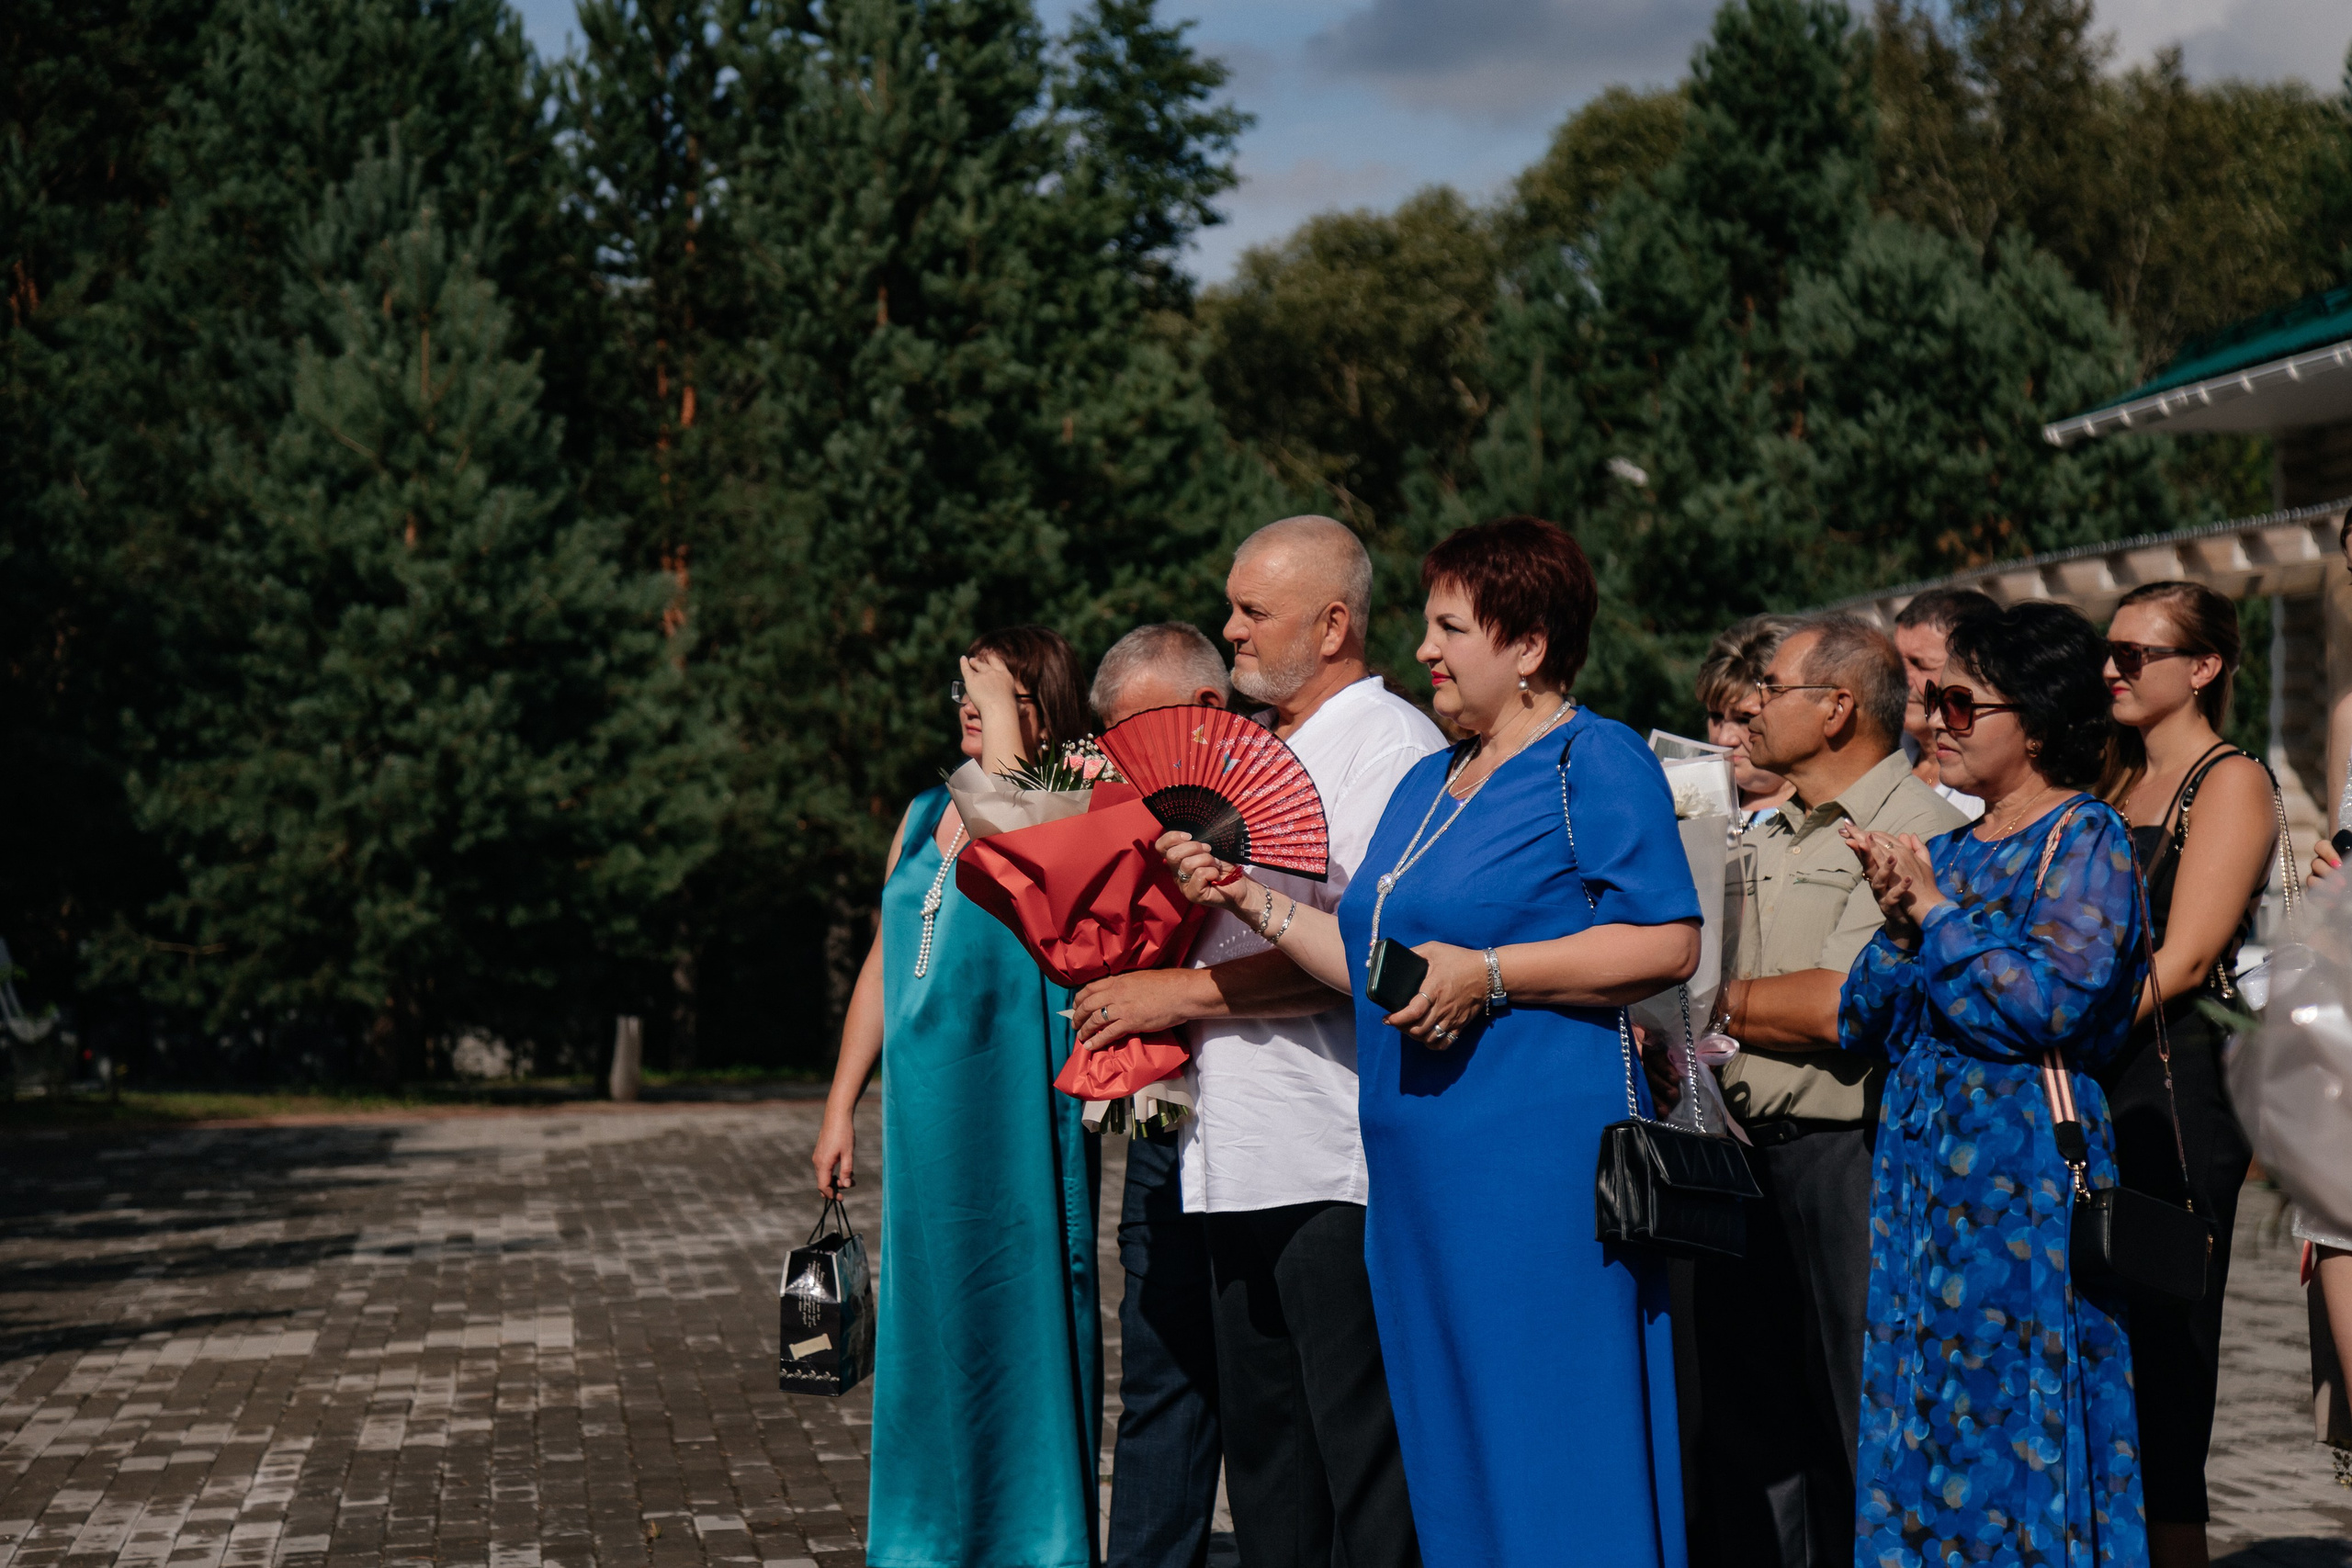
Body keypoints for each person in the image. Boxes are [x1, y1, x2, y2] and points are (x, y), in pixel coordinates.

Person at [1164, 515, 1702, 1568]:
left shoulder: (1592, 761)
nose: (1423, 650)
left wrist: (1492, 974)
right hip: (1418, 1184)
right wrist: (1249, 900)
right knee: (1446, 1443)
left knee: (1547, 1431)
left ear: (1529, 645)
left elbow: (1667, 939)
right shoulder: (1430, 784)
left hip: (1535, 1179)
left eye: (1450, 627)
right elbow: (1375, 958)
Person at [1070, 517, 1439, 1568]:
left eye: (1251, 610)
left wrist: (1174, 994)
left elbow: (1364, 953)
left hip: (1335, 1157)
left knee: (1358, 1463)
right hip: (1234, 1154)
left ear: (1332, 625)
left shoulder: (1388, 750)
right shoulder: (1260, 751)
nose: (1227, 630)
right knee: (1271, 1462)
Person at [1841, 601, 2149, 1566]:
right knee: (1922, 1406)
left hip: (2021, 1185)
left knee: (2015, 1410)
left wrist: (1932, 916)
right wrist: (1899, 923)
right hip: (1924, 1186)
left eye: (1961, 704)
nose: (1935, 722)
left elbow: (2048, 1006)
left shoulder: (2083, 839)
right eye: (1932, 702)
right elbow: (1863, 1018)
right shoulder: (1951, 852)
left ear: (2042, 722)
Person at [808, 626, 1102, 1568]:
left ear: (1037, 707)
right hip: (924, 1111)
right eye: (961, 687)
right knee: (929, 1315)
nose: (965, 703)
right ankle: (925, 1535)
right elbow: (885, 959)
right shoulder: (920, 809)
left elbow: (1042, 878)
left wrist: (1018, 756)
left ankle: (1033, 1536)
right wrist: (840, 1101)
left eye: (989, 688)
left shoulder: (1063, 803)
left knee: (1023, 1302)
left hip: (1015, 1101)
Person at [1688, 615, 1966, 1568]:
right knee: (1750, 1437)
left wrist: (1702, 1000)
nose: (1751, 707)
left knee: (1860, 1422)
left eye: (1771, 688)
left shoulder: (1912, 829)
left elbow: (1838, 1008)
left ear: (1837, 706)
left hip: (1851, 1154)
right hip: (1742, 1150)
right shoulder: (1773, 828)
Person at [2096, 581, 2275, 1568]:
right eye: (2108, 651)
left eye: (2137, 654)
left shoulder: (2229, 780)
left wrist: (2066, 1030)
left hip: (2175, 1080)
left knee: (2166, 1350)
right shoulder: (2106, 775)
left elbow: (2192, 952)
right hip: (2094, 1069)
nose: (2113, 667)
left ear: (2201, 668)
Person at [1087, 623, 1231, 1568]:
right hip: (1163, 1126)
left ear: (1208, 713)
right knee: (1160, 1382)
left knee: (1272, 1397)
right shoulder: (1112, 803)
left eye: (1137, 731)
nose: (1119, 756)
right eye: (1109, 736)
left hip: (1287, 1133)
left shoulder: (1288, 788)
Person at [1891, 587, 1996, 818]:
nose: (1900, 679)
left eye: (1920, 665)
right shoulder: (1879, 752)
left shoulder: (1988, 791)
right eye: (1896, 662)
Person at [1697, 615, 1803, 822]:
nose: (1726, 739)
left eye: (1745, 719)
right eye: (1716, 716)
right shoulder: (1690, 799)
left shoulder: (1829, 815)